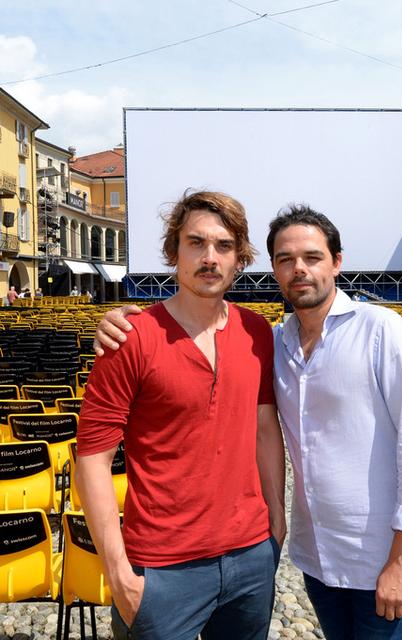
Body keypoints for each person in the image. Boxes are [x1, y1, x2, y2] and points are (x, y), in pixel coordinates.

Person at [96, 204, 402, 640]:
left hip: (381, 557)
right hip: (318, 561)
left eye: (312, 257)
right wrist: (118, 320)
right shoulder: (273, 339)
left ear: (336, 261)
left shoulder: (383, 330)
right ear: (273, 271)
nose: (299, 269)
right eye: (285, 260)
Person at [77, 191, 285, 640]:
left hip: (251, 557)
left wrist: (277, 522)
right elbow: (92, 459)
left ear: (239, 258)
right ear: (174, 252)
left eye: (224, 246)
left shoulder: (257, 332)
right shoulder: (130, 338)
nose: (210, 258)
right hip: (160, 568)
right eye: (196, 243)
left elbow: (265, 431)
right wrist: (119, 575)